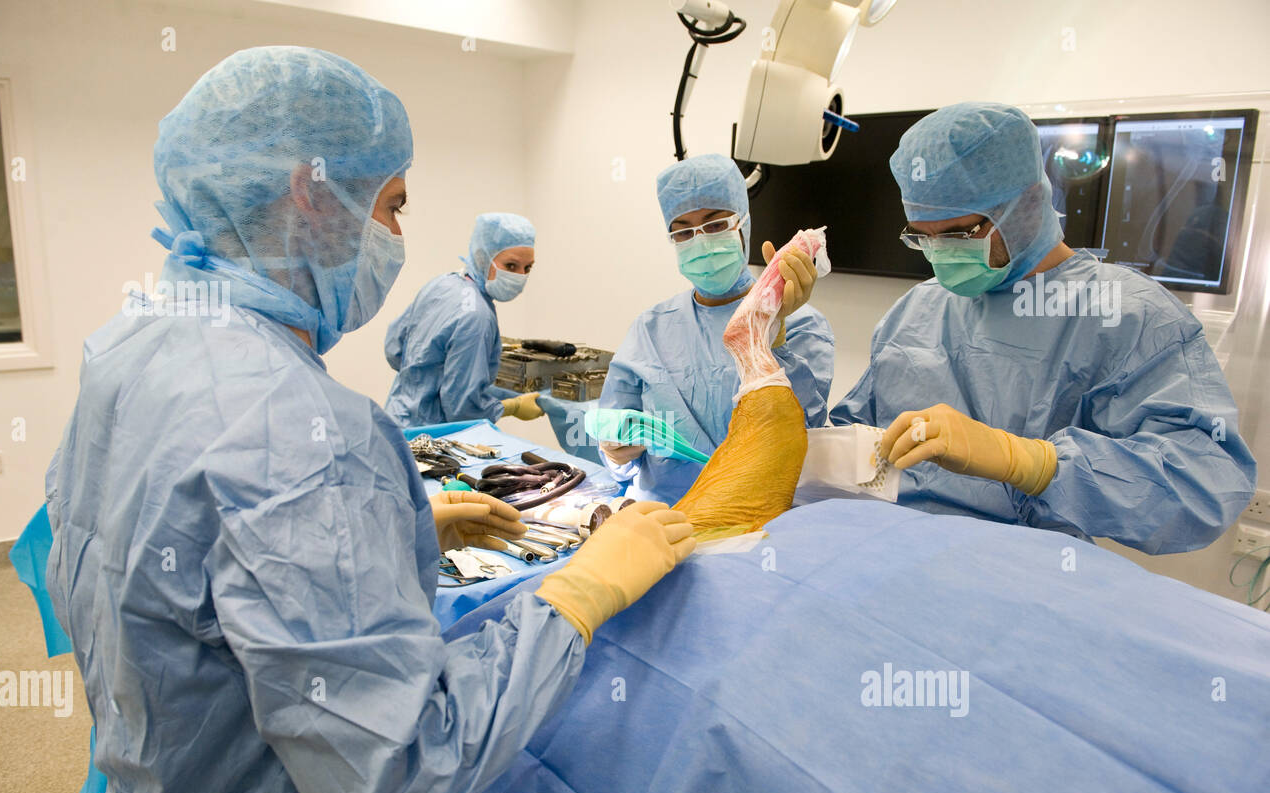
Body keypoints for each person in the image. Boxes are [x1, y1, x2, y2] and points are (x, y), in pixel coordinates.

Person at [44, 46, 693, 793]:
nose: (394, 234)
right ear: (311, 195)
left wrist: (401, 529)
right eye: (393, 204)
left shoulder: (131, 345)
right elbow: (398, 778)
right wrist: (574, 598)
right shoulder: (305, 430)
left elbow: (189, 579)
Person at [830, 102, 1255, 555]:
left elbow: (1206, 482)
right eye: (922, 236)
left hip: (1025, 574)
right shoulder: (918, 308)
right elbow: (852, 437)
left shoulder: (1126, 315)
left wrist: (1033, 463)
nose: (938, 254)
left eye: (956, 235)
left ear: (1024, 207)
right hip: (890, 556)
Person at [598, 153, 835, 503]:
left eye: (715, 225)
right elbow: (612, 431)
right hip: (662, 520)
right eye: (684, 232)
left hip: (756, 521)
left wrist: (772, 332)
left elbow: (804, 438)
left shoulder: (801, 324)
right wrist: (615, 450)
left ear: (744, 225)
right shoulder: (650, 328)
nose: (702, 242)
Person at [383, 213, 544, 427]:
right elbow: (462, 409)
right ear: (481, 258)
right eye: (511, 266)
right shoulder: (477, 316)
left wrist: (425, 378)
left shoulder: (441, 285)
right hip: (435, 436)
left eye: (528, 268)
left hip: (397, 419)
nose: (520, 276)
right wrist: (512, 406)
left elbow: (394, 349)